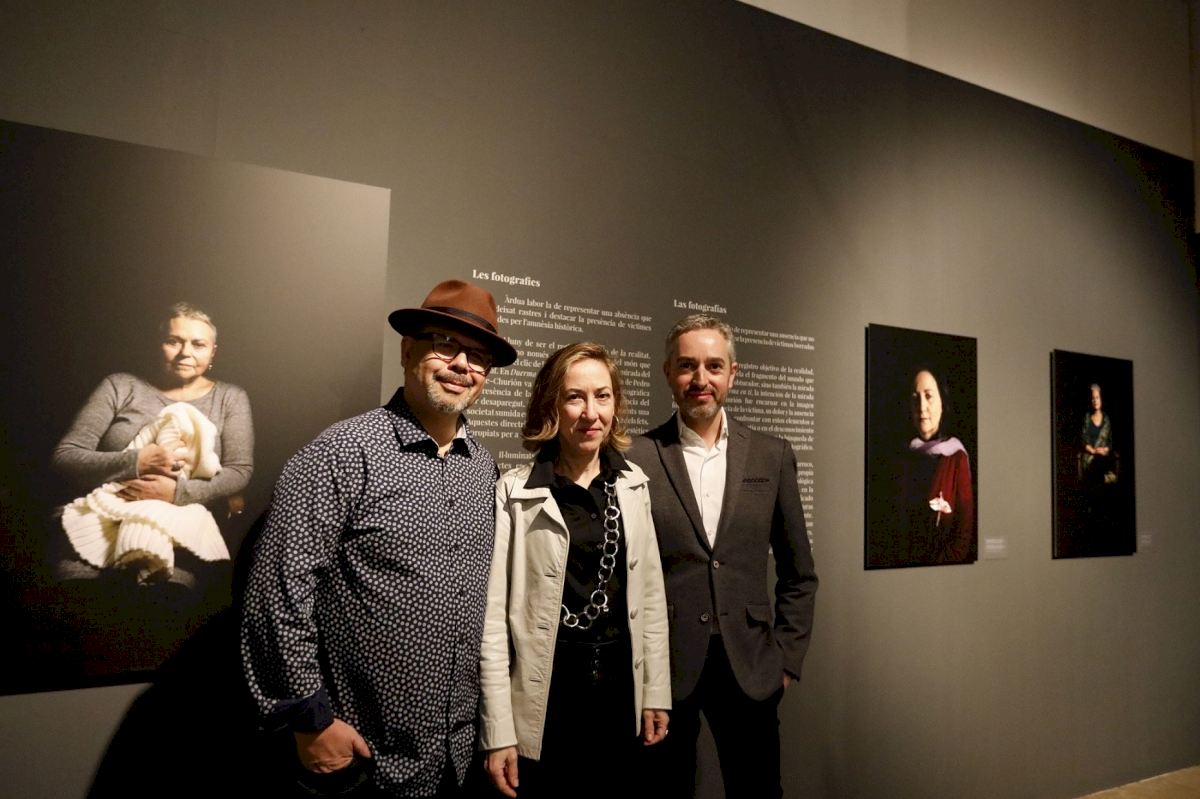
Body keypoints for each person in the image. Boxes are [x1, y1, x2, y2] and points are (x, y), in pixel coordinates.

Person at [240, 279, 517, 798]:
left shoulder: (482, 469)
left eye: (479, 355)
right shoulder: (343, 452)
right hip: (363, 762)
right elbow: (277, 593)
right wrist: (309, 720)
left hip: (456, 760)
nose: (463, 364)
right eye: (446, 344)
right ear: (408, 350)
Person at [629, 314, 817, 799]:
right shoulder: (636, 457)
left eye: (714, 366)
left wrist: (786, 661)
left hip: (750, 663)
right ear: (668, 373)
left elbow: (799, 573)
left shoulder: (772, 456)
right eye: (687, 365)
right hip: (666, 668)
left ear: (733, 374)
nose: (700, 378)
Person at [480, 342, 671, 799]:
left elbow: (650, 598)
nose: (591, 413)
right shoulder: (515, 492)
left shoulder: (633, 485)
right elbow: (493, 622)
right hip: (548, 694)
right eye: (574, 397)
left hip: (620, 691)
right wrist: (499, 730)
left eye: (602, 396)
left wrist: (655, 692)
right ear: (551, 405)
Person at [51, 301, 254, 586]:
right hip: (100, 517)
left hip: (177, 531)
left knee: (164, 594)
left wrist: (178, 493)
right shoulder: (121, 385)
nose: (185, 352)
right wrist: (138, 461)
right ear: (159, 344)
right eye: (174, 341)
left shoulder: (229, 398)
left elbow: (239, 470)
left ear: (212, 352)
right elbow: (66, 455)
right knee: (77, 588)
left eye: (198, 344)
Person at [889, 367, 975, 566]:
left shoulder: (956, 458)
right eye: (915, 398)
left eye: (928, 396)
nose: (921, 407)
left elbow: (963, 536)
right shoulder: (901, 457)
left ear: (942, 402)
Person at [1080, 383, 1115, 485]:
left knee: (1101, 461)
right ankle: (1102, 479)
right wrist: (1093, 451)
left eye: (1097, 397)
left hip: (1104, 456)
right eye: (1093, 398)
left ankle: (1099, 480)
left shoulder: (1106, 420)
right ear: (1090, 400)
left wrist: (1104, 450)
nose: (1095, 401)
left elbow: (1110, 442)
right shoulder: (1087, 418)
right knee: (1096, 463)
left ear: (1101, 399)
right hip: (1090, 457)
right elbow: (1083, 440)